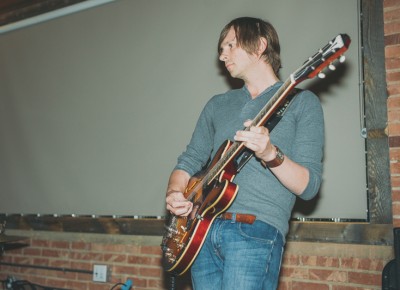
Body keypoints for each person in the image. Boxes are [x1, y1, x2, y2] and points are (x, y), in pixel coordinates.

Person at [165, 17, 324, 290]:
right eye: (221, 48)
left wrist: (270, 154)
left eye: (230, 44)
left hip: (254, 230)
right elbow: (189, 160)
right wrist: (174, 193)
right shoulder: (217, 105)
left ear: (260, 45)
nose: (222, 54)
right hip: (200, 233)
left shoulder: (303, 103)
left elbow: (308, 187)